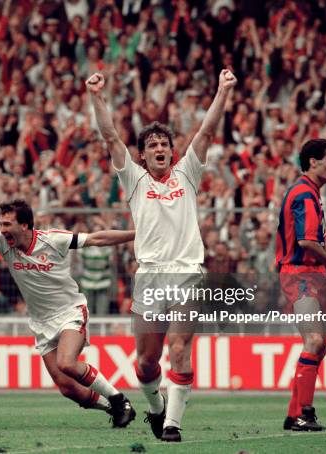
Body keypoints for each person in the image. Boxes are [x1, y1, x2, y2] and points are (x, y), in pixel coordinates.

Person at [86, 69, 237, 442]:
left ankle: (173, 424)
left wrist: (222, 91)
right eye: (151, 144)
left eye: (164, 143)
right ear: (142, 154)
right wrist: (96, 96)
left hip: (187, 272)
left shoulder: (187, 173)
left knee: (179, 347)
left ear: (171, 150)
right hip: (150, 275)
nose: (159, 148)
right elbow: (109, 135)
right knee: (147, 361)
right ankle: (156, 409)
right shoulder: (134, 179)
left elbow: (206, 132)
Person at [0, 195, 136, 428]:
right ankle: (112, 409)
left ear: (24, 225)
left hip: (70, 311)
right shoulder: (3, 243)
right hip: (41, 321)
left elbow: (98, 238)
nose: (1, 229)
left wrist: (137, 234)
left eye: (7, 224)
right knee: (66, 387)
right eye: (0, 224)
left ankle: (119, 400)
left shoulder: (53, 239)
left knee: (67, 363)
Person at [276, 139, 326, 431]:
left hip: (310, 275)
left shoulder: (310, 193)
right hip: (300, 274)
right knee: (314, 342)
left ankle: (295, 414)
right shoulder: (304, 194)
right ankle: (303, 413)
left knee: (320, 346)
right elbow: (306, 241)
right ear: (313, 162)